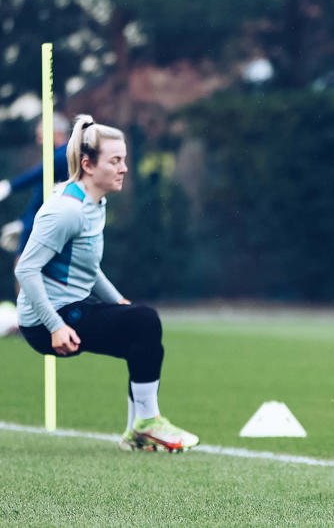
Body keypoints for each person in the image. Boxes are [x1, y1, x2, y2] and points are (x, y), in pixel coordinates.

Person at [15, 114, 199, 453]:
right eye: (115, 160)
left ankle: (137, 430)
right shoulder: (66, 210)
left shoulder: (95, 203)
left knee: (139, 329)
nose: (124, 168)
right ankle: (148, 422)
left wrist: (116, 302)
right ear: (87, 164)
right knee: (144, 322)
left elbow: (88, 267)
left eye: (124, 159)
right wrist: (55, 326)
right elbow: (26, 270)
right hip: (45, 322)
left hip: (72, 307)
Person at [0, 113, 71, 255]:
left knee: (24, 264)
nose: (39, 142)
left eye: (41, 136)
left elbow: (38, 174)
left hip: (54, 224)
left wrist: (10, 186)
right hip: (41, 220)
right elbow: (40, 194)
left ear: (55, 133)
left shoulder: (65, 154)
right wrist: (24, 221)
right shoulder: (57, 155)